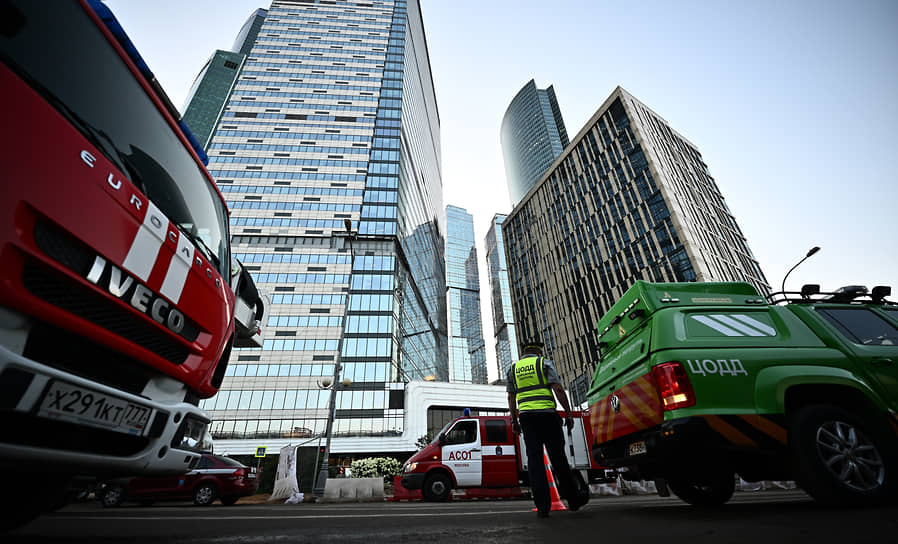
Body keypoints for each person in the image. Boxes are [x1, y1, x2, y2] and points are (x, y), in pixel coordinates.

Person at [507, 341, 588, 518]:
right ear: (537, 351)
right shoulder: (543, 363)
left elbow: (511, 398)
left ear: (524, 353)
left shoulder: (513, 369)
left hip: (527, 419)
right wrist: (568, 413)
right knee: (558, 458)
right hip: (547, 416)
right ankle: (573, 500)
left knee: (535, 461)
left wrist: (514, 421)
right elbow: (558, 389)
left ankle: (542, 506)